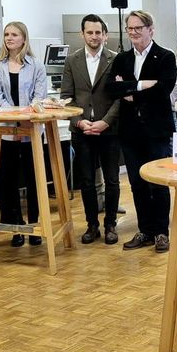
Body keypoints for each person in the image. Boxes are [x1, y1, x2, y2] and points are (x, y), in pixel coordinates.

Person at [106, 10, 177, 252]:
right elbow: (111, 90)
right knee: (137, 183)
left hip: (156, 131)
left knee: (158, 183)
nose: (134, 32)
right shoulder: (122, 59)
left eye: (138, 28)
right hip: (130, 132)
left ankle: (161, 232)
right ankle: (145, 230)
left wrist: (130, 93)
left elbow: (162, 90)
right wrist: (139, 85)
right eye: (130, 29)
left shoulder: (165, 57)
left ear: (150, 29)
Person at [60, 15, 121, 245]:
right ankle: (92, 224)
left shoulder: (116, 60)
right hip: (82, 131)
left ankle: (110, 224)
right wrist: (79, 121)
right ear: (82, 34)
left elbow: (120, 98)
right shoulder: (72, 60)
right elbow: (66, 97)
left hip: (109, 130)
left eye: (98, 32)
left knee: (112, 180)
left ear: (105, 35)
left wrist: (105, 122)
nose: (94, 37)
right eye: (90, 32)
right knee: (86, 180)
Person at [0, 21, 48, 247]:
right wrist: (13, 118)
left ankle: (34, 224)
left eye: (14, 34)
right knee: (7, 181)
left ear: (24, 38)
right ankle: (15, 225)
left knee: (34, 178)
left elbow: (39, 97)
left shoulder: (36, 66)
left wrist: (24, 117)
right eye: (6, 34)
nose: (9, 38)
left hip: (31, 130)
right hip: (6, 130)